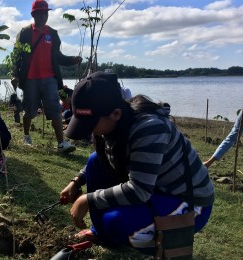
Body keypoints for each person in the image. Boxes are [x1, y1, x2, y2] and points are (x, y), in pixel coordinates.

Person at [60, 72, 214, 253]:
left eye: (91, 123)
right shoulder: (112, 124)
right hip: (155, 189)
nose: (88, 130)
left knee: (115, 222)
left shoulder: (149, 129)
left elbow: (139, 190)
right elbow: (104, 159)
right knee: (95, 161)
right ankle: (102, 232)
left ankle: (143, 240)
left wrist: (87, 200)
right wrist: (77, 181)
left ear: (116, 114)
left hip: (188, 201)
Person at [12, 0, 82, 153]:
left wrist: (72, 60)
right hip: (30, 79)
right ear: (33, 14)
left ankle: (61, 143)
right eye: (40, 13)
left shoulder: (52, 34)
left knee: (55, 110)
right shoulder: (25, 33)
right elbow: (17, 55)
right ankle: (26, 135)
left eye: (46, 13)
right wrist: (16, 75)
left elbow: (57, 56)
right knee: (30, 110)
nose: (43, 16)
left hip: (50, 78)